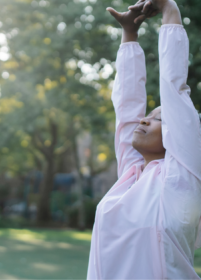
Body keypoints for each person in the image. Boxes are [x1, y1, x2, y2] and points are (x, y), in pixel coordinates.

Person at [87, 0, 201, 279]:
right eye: (148, 115)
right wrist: (130, 34)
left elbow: (174, 89)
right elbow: (126, 108)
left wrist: (169, 10)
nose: (144, 120)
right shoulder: (131, 175)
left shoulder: (181, 178)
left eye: (160, 118)